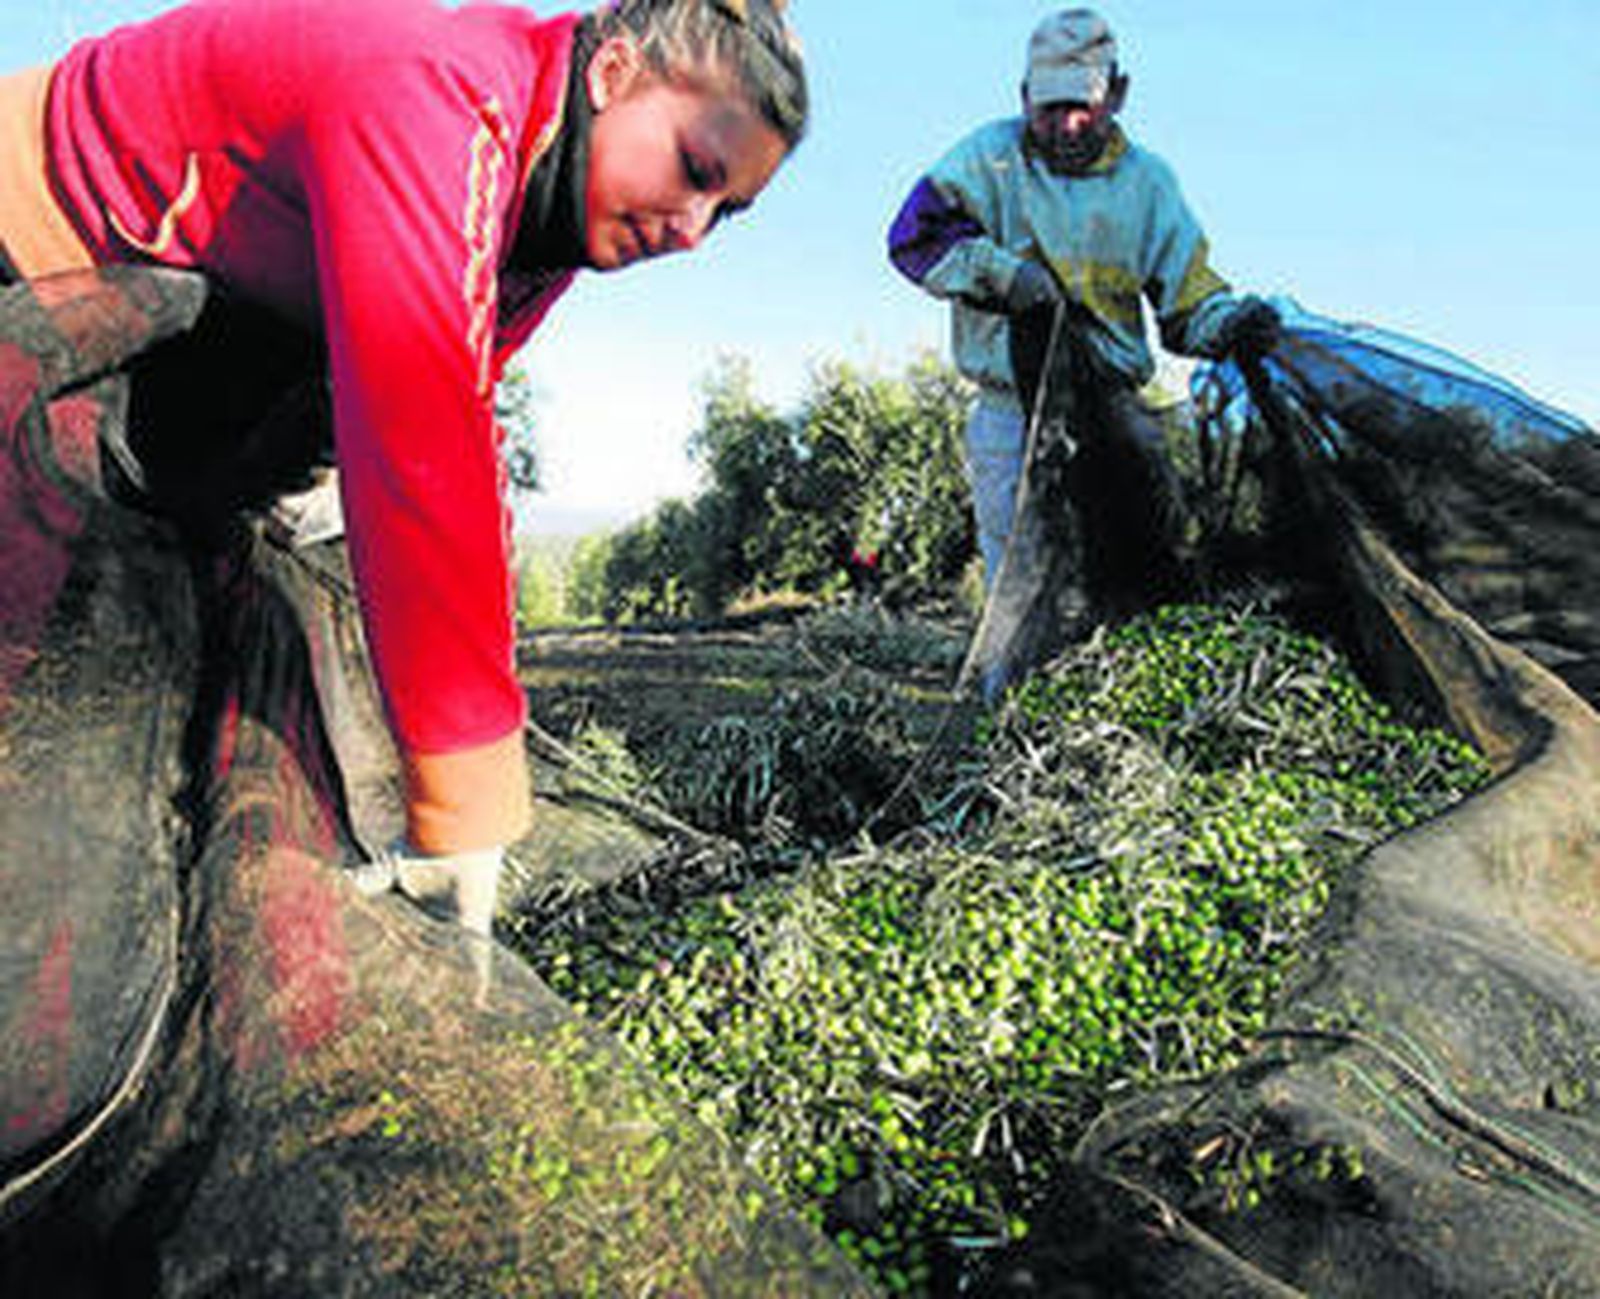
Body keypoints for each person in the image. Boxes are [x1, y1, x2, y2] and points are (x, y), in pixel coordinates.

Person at [0, 0, 807, 932]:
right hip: (34, 246)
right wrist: (467, 811)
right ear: (612, 74)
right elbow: (418, 435)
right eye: (695, 170)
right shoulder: (439, 96)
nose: (694, 230)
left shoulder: (542, 220)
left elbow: (465, 427)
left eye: (729, 212)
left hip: (182, 360)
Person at [887, 8, 1279, 596]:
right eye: (1050, 109)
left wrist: (1226, 324)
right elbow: (912, 237)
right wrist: (1002, 276)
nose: (1068, 125)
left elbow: (1187, 305)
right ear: (1023, 99)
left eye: (1083, 106)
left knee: (1133, 573)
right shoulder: (985, 159)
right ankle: (1008, 688)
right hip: (1013, 412)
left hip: (1116, 418)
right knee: (1020, 581)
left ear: (1116, 94)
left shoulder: (1148, 184)